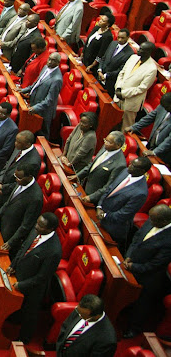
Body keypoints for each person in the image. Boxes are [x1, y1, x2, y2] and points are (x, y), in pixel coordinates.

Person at [5, 212, 62, 344]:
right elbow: (24, 248)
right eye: (37, 223)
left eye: (41, 226)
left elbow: (42, 277)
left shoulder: (54, 251)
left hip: (33, 288)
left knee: (29, 315)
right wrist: (13, 264)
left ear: (50, 229)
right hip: (20, 274)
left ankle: (23, 340)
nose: (36, 226)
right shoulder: (37, 231)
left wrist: (22, 285)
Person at [122, 204, 171, 339]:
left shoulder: (169, 239)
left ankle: (134, 329)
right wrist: (128, 256)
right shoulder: (153, 219)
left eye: (153, 220)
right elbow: (137, 237)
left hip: (150, 277)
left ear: (164, 222)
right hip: (132, 262)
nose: (150, 221)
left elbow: (155, 265)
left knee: (142, 304)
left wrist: (133, 267)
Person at [96, 156, 152, 251]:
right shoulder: (125, 172)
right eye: (131, 163)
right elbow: (109, 189)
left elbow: (124, 214)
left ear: (142, 171)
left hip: (112, 228)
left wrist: (104, 215)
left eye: (133, 166)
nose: (129, 166)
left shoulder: (141, 192)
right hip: (100, 214)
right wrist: (99, 205)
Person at [0, 163, 44, 256]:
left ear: (29, 177)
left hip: (10, 233)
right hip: (2, 222)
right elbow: (10, 201)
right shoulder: (21, 181)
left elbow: (26, 225)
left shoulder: (36, 198)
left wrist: (11, 242)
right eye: (15, 176)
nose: (16, 179)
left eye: (19, 178)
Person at [74, 131, 127, 204]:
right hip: (84, 185)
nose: (105, 143)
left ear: (118, 145)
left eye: (109, 142)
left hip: (93, 196)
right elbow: (93, 165)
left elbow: (108, 187)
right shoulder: (105, 147)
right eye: (105, 140)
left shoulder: (120, 164)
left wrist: (92, 197)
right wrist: (77, 176)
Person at [18, 52, 63, 138]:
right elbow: (36, 83)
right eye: (49, 59)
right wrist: (24, 90)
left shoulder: (57, 79)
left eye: (53, 60)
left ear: (58, 63)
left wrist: (36, 108)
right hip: (34, 103)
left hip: (44, 111)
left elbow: (50, 100)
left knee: (42, 133)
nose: (49, 62)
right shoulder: (46, 67)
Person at [115, 42, 158, 129]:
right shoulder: (133, 58)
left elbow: (142, 88)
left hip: (130, 102)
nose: (139, 50)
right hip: (117, 96)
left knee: (125, 128)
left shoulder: (152, 69)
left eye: (142, 49)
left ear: (149, 52)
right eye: (140, 47)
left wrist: (123, 93)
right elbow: (122, 73)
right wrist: (118, 88)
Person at [0, 130, 41, 210]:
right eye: (16, 140)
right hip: (1, 187)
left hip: (10, 195)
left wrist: (3, 188)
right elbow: (8, 165)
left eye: (18, 142)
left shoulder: (33, 162)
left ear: (27, 144)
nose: (15, 143)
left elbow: (22, 182)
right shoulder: (19, 147)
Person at [127, 92, 171, 166]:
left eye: (167, 107)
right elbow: (150, 117)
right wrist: (134, 127)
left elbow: (169, 140)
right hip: (151, 144)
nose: (165, 109)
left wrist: (155, 152)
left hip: (164, 154)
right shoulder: (164, 106)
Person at [97, 28, 133, 97]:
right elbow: (104, 57)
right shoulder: (113, 43)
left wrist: (106, 75)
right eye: (118, 37)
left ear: (128, 38)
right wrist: (99, 70)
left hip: (110, 82)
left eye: (122, 38)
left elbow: (121, 70)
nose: (119, 39)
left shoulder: (129, 53)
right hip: (99, 76)